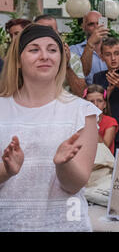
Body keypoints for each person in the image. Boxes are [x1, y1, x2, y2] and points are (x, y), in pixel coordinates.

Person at [0, 24, 100, 231]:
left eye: (52, 50)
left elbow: (74, 185)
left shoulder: (82, 112)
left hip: (65, 224)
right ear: (18, 61)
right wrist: (7, 171)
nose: (45, 56)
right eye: (34, 49)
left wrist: (63, 164)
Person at [34, 14, 87, 97]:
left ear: (57, 33)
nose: (45, 33)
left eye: (50, 29)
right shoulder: (28, 58)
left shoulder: (72, 58)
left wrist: (66, 66)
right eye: (40, 30)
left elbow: (81, 93)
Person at [70, 11, 119, 85]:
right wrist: (90, 43)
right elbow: (81, 74)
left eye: (98, 23)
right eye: (91, 24)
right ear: (83, 27)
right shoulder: (74, 50)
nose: (96, 27)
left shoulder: (116, 49)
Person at [83, 84, 119, 155]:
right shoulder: (79, 120)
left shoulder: (110, 122)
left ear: (105, 104)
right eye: (91, 101)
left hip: (102, 163)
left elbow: (104, 148)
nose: (95, 104)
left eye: (99, 101)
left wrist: (92, 124)